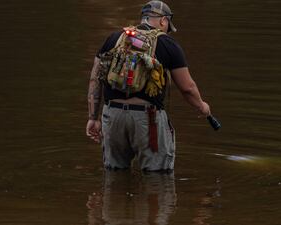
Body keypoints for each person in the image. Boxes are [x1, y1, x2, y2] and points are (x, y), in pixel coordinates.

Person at [86, 0, 212, 171]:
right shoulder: (168, 44)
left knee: (114, 175)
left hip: (112, 117)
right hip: (147, 119)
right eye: (168, 25)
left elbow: (95, 78)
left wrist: (93, 118)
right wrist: (202, 106)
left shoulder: (115, 38)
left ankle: (114, 197)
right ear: (163, 21)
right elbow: (187, 88)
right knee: (158, 178)